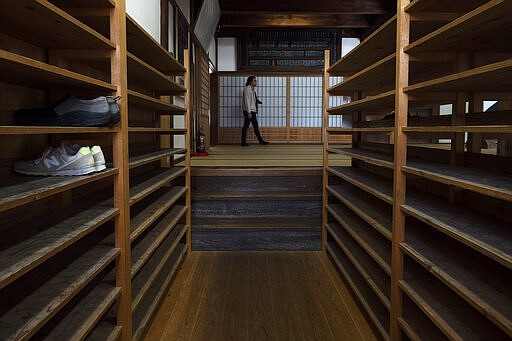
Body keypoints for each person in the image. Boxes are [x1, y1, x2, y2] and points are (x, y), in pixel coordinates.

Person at [241, 75, 269, 146]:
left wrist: (258, 101)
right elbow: (247, 101)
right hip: (249, 111)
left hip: (251, 111)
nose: (256, 82)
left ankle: (260, 141)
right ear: (250, 82)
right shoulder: (247, 89)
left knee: (253, 126)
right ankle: (244, 142)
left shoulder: (252, 89)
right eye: (254, 80)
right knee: (247, 126)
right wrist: (249, 112)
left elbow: (252, 100)